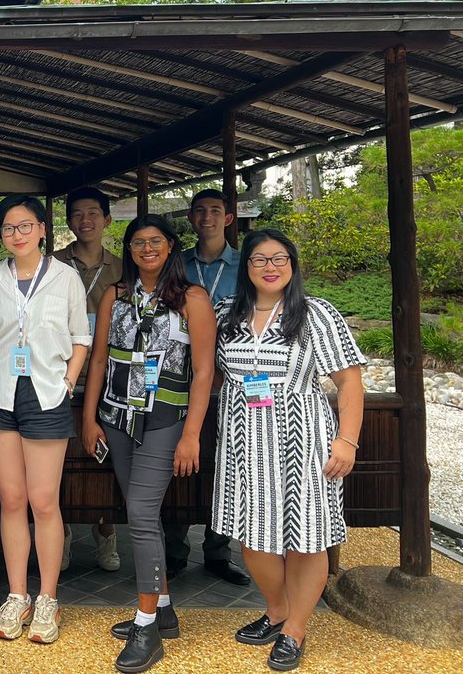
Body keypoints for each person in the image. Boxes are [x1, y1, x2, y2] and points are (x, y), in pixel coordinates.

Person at [213, 229, 364, 673]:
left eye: (279, 258)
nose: (270, 266)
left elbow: (349, 381)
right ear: (247, 268)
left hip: (304, 442)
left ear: (293, 264)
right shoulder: (227, 314)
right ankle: (276, 609)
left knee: (306, 538)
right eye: (259, 259)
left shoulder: (316, 314)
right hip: (242, 444)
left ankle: (296, 628)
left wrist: (348, 439)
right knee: (251, 536)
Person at [83, 214, 215, 674]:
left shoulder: (193, 300)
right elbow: (98, 358)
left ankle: (145, 627)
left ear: (171, 245)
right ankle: (163, 609)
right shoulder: (114, 297)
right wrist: (89, 418)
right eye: (137, 242)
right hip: (118, 416)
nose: (146, 249)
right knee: (142, 514)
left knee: (139, 516)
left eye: (155, 241)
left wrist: (192, 434)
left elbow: (203, 372)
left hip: (165, 419)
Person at [0, 195, 90, 644]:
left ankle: (47, 599)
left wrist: (67, 382)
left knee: (43, 500)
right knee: (11, 497)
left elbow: (81, 337)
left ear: (42, 229)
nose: (16, 235)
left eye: (24, 226)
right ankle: (17, 594)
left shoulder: (65, 278)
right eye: (8, 229)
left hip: (46, 394)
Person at [164, 188, 250, 585]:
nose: (207, 217)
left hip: (232, 377)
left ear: (228, 218)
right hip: (182, 375)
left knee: (226, 463)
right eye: (199, 211)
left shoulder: (247, 265)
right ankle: (175, 550)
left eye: (215, 211)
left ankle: (218, 550)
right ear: (191, 218)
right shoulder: (176, 264)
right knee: (178, 460)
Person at [52, 185, 122, 573]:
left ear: (107, 219)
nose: (86, 220)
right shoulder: (53, 264)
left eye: (93, 213)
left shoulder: (122, 266)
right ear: (68, 220)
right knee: (59, 459)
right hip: (60, 369)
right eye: (77, 213)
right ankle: (59, 535)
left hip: (110, 370)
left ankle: (105, 531)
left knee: (106, 456)